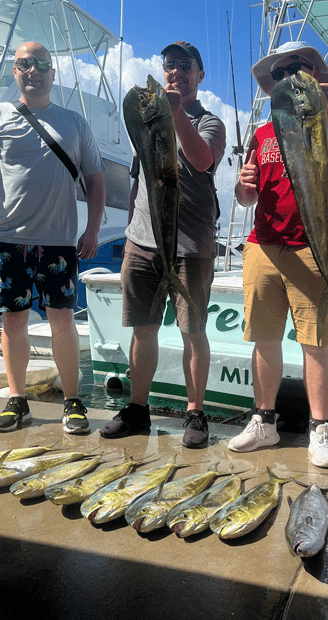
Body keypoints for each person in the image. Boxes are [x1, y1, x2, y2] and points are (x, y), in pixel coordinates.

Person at [227, 41, 328, 468]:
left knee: (316, 344)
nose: (290, 75)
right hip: (262, 246)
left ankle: (320, 427)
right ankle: (264, 421)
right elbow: (245, 198)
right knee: (265, 339)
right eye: (281, 72)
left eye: (300, 67)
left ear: (316, 72)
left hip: (314, 249)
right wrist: (243, 187)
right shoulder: (263, 130)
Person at [0, 41, 106, 435]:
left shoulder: (75, 123)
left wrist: (92, 229)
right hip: (8, 240)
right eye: (25, 63)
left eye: (42, 63)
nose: (33, 70)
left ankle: (73, 403)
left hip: (59, 241)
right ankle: (17, 400)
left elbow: (95, 180)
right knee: (13, 321)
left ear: (52, 73)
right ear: (15, 71)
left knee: (62, 321)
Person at [100, 41, 226, 449]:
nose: (176, 71)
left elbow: (202, 159)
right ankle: (138, 409)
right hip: (142, 242)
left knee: (194, 332)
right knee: (143, 329)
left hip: (191, 246)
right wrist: (132, 233)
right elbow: (141, 178)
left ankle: (195, 412)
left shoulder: (210, 122)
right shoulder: (147, 118)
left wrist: (174, 114)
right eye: (169, 65)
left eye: (186, 65)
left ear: (200, 75)